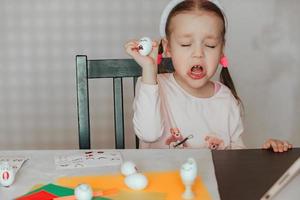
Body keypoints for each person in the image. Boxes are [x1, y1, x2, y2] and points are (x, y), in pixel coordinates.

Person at [125, 0, 292, 152]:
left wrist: (266, 154)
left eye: (210, 45)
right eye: (185, 44)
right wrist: (148, 70)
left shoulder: (226, 100)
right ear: (168, 48)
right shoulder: (151, 85)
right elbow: (148, 135)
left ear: (221, 50)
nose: (198, 54)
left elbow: (238, 159)